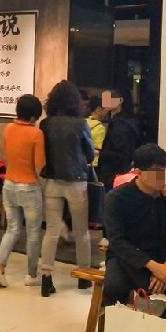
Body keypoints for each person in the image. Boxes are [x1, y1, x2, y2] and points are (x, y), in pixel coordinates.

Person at [102, 144, 166, 318]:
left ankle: (162, 328)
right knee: (114, 288)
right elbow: (117, 241)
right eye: (156, 171)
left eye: (164, 170)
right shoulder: (117, 198)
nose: (161, 176)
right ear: (138, 171)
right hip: (125, 258)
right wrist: (154, 267)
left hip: (161, 257)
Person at [38, 80, 94, 295]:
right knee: (81, 232)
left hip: (52, 181)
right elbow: (89, 154)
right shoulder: (81, 124)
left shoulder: (46, 124)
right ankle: (83, 277)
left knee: (51, 231)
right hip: (77, 182)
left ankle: (46, 278)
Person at [0, 94, 45, 288]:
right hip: (29, 187)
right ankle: (31, 275)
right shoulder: (36, 134)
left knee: (12, 229)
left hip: (9, 184)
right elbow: (39, 165)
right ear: (33, 116)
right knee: (33, 232)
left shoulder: (8, 129)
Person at [96, 89, 141, 190]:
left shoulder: (119, 125)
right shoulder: (127, 122)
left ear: (120, 101)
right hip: (123, 171)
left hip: (113, 172)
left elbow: (119, 151)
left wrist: (101, 153)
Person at [86, 95, 107, 167]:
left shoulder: (84, 122)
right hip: (94, 163)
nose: (106, 111)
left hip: (82, 162)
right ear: (98, 109)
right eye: (104, 109)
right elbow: (98, 150)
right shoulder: (100, 128)